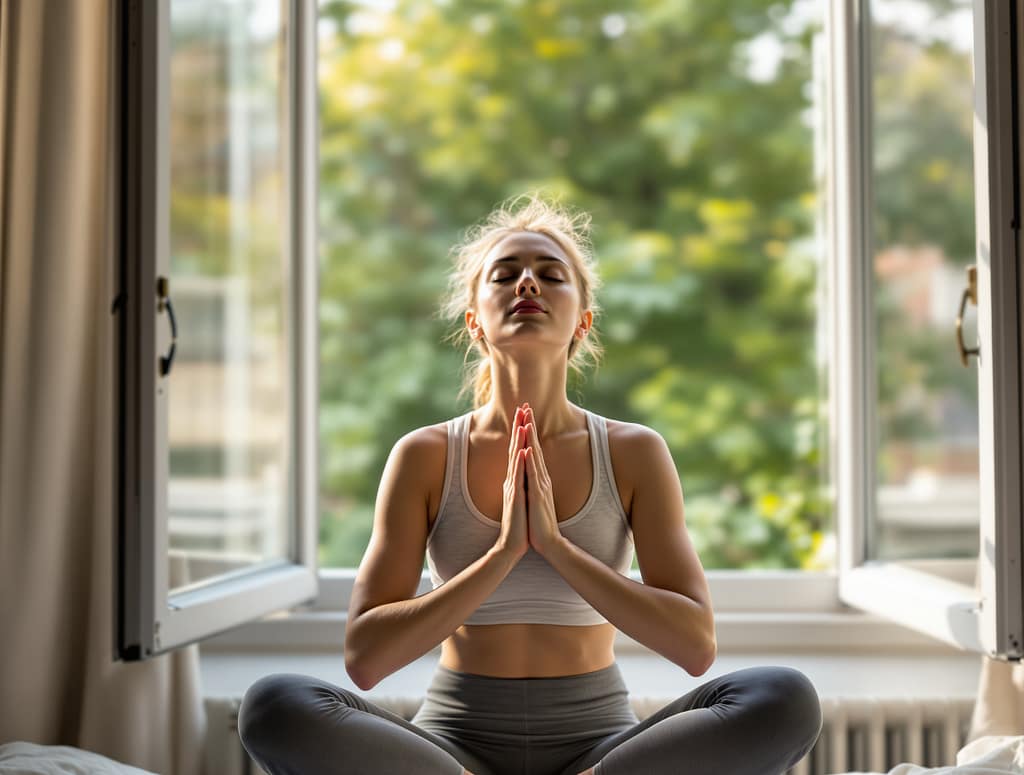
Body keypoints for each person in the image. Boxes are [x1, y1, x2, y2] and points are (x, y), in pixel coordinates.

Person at [237, 195, 823, 775]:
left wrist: (558, 547)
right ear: (474, 322)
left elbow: (695, 647)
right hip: (450, 749)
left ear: (582, 322)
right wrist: (503, 553)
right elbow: (365, 660)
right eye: (505, 275)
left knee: (782, 697)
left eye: (550, 275)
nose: (527, 285)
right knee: (273, 705)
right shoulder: (425, 455)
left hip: (600, 751)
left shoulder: (633, 451)